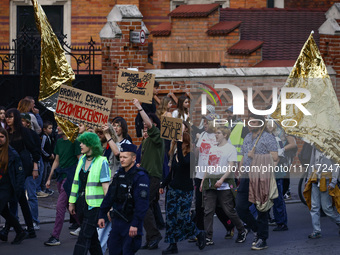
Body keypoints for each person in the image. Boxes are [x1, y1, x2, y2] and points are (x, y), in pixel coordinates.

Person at [235, 114, 278, 250]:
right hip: (247, 176)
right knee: (240, 207)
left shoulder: (268, 137)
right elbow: (244, 155)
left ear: (260, 123)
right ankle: (256, 230)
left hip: (261, 176)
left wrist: (256, 156)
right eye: (249, 121)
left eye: (253, 121)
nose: (250, 123)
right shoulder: (247, 137)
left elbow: (275, 157)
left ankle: (262, 239)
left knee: (262, 209)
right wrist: (240, 167)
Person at [98, 143, 150, 255]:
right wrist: (102, 214)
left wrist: (135, 224)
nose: (122, 160)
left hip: (130, 221)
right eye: (120, 157)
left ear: (133, 158)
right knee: (113, 250)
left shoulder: (140, 177)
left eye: (125, 157)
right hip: (117, 221)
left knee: (127, 251)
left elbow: (142, 204)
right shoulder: (119, 174)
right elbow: (110, 196)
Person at [159, 131, 206, 254]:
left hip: (185, 191)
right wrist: (163, 184)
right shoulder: (175, 155)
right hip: (173, 190)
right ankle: (172, 244)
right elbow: (172, 173)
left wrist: (179, 146)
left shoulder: (191, 155)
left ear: (186, 143)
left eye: (181, 142)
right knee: (170, 219)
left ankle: (198, 233)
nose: (178, 144)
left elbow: (185, 164)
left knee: (182, 217)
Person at [200, 126, 248, 245]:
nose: (216, 135)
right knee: (208, 211)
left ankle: (242, 230)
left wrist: (221, 180)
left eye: (219, 133)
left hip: (224, 184)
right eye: (216, 133)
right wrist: (202, 181)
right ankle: (208, 237)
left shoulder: (230, 149)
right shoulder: (212, 148)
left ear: (225, 135)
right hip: (210, 183)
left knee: (229, 210)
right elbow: (208, 166)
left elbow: (231, 166)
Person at [0, 109, 40, 239]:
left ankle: (10, 230)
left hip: (21, 170)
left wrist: (35, 167)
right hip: (10, 171)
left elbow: (34, 149)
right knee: (20, 199)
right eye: (6, 117)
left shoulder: (24, 132)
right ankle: (28, 229)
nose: (7, 119)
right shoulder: (7, 133)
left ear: (15, 118)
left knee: (17, 198)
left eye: (10, 117)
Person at [69, 132, 111, 254]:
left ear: (91, 145)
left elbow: (106, 188)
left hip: (95, 206)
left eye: (83, 143)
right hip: (81, 204)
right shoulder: (82, 159)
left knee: (83, 237)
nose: (80, 145)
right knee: (92, 240)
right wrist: (71, 202)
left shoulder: (102, 161)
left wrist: (107, 208)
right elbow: (76, 182)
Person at [132, 98, 164, 250]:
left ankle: (155, 234)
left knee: (143, 206)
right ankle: (152, 238)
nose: (145, 125)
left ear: (155, 126)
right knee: (146, 206)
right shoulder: (145, 141)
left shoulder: (157, 137)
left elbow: (149, 124)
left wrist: (139, 107)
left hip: (153, 177)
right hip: (145, 176)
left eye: (148, 123)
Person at [44, 126, 81, 246]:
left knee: (60, 206)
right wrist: (49, 178)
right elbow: (56, 160)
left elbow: (80, 160)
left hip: (70, 177)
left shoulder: (75, 141)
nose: (57, 127)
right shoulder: (59, 141)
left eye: (60, 124)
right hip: (60, 176)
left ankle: (55, 236)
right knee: (67, 205)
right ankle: (85, 226)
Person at [303, 147, 340, 239]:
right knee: (314, 207)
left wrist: (333, 181)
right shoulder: (315, 147)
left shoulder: (331, 146)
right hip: (315, 179)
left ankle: (339, 221)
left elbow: (336, 164)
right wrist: (308, 179)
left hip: (327, 180)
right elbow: (312, 163)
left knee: (327, 208)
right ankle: (316, 231)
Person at [0, 127, 28, 245]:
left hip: (7, 187)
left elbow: (19, 173)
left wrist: (17, 189)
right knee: (5, 212)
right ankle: (20, 231)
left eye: (1, 137)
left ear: (6, 138)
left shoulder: (12, 153)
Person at [266, 122, 288, 231]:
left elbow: (277, 158)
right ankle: (277, 219)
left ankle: (282, 223)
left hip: (276, 173)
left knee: (278, 198)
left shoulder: (276, 140)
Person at [40, 120, 55, 196]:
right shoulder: (44, 137)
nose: (51, 130)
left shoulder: (49, 137)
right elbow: (42, 148)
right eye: (49, 128)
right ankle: (43, 188)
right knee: (44, 174)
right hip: (45, 159)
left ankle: (46, 188)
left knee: (48, 173)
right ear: (44, 129)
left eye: (51, 128)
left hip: (48, 159)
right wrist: (48, 155)